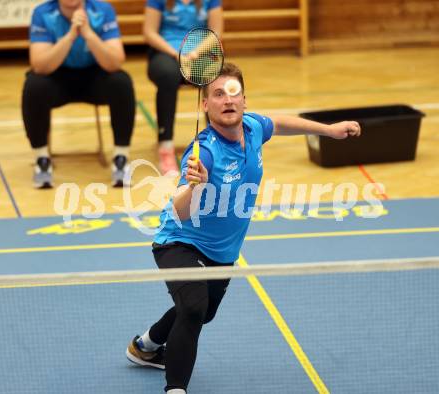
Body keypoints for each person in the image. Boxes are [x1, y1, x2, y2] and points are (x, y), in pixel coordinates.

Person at [126, 63, 361, 393]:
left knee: (200, 311)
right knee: (193, 309)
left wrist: (327, 130)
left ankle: (146, 345)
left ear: (245, 101)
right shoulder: (204, 153)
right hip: (179, 242)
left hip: (223, 252)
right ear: (205, 105)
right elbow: (179, 211)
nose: (227, 100)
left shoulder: (252, 127)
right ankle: (175, 388)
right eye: (218, 94)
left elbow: (278, 123)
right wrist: (194, 187)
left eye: (233, 93)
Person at [22, 0, 136, 188]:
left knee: (121, 82)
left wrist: (89, 34)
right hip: (57, 77)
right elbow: (40, 65)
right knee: (34, 85)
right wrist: (70, 37)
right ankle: (42, 160)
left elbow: (115, 62)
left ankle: (121, 158)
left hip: (94, 76)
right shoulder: (42, 13)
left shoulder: (102, 10)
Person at [143, 0, 223, 174]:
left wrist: (194, 54)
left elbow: (216, 32)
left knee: (216, 76)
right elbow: (149, 33)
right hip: (166, 53)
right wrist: (177, 55)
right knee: (168, 76)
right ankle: (166, 147)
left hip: (200, 54)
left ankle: (218, 144)